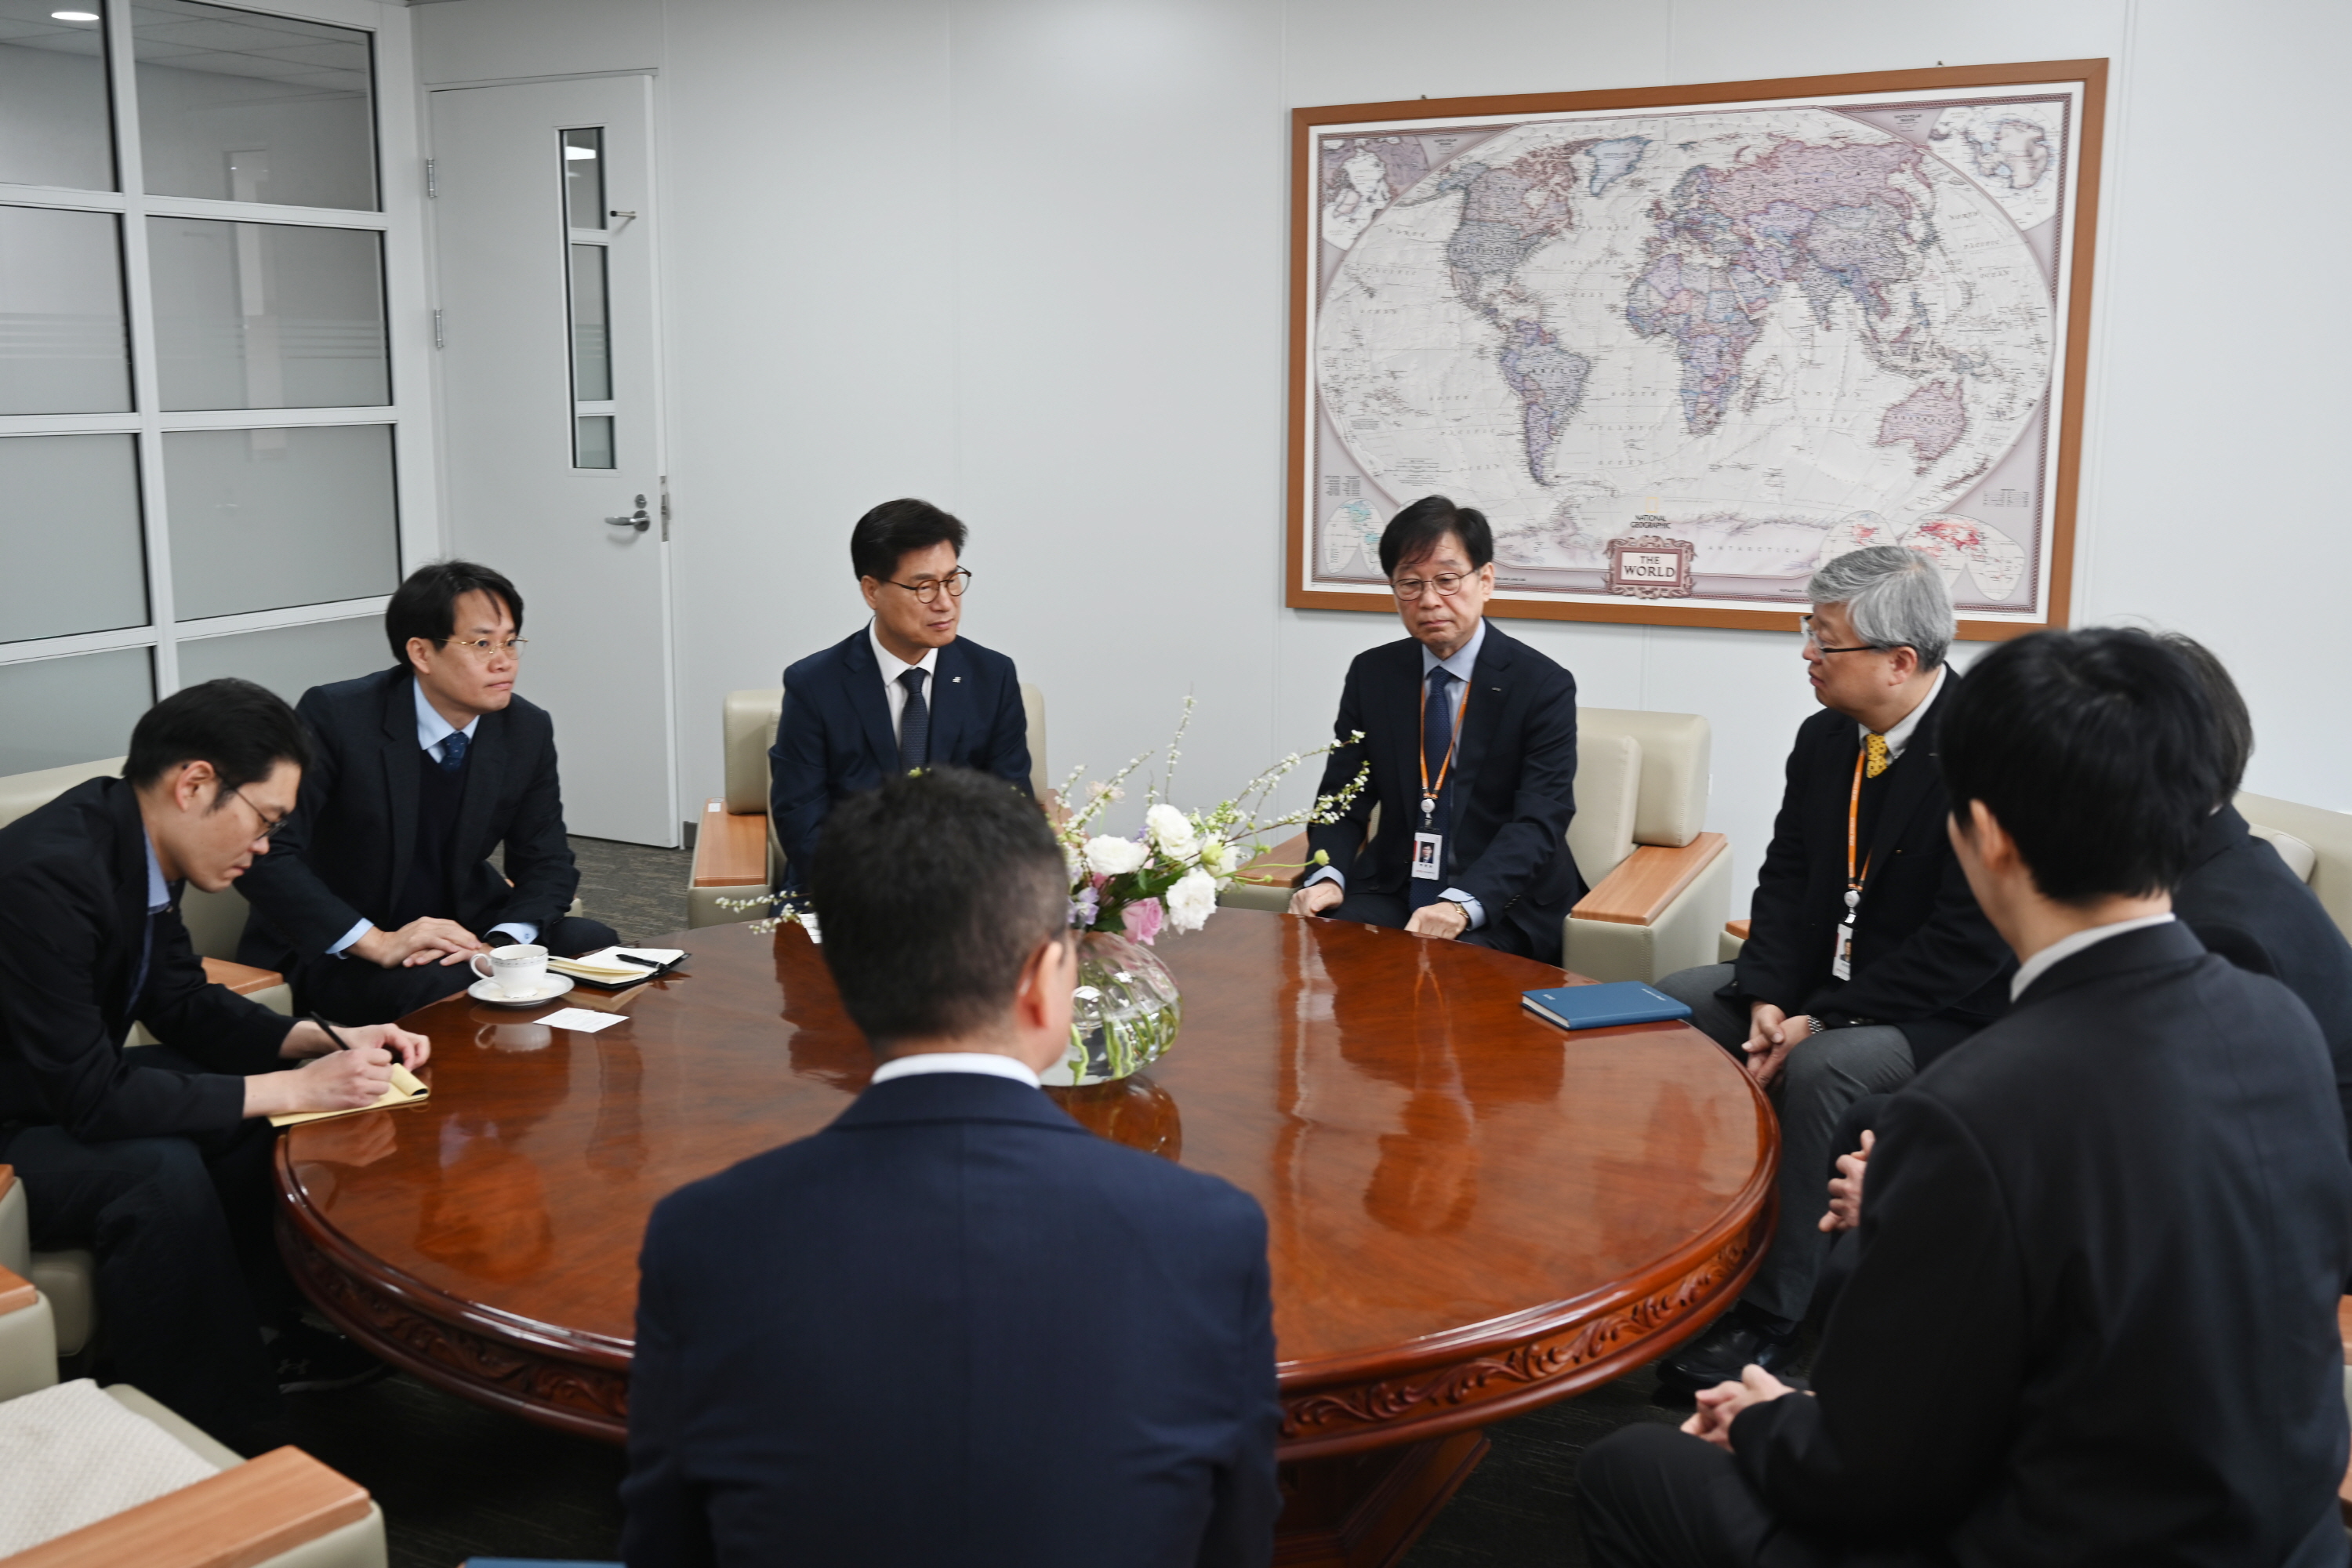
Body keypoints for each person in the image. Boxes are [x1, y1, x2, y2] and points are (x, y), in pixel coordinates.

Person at [1577, 627, 2352, 1567]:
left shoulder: (1974, 1108)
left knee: (1629, 1465)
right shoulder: (2279, 1020)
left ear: (1985, 834)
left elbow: (1868, 1475)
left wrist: (1764, 1415)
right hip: (2276, 1533)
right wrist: (1921, 1212)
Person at [622, 768, 1279, 1566]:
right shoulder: (1207, 1231)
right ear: (1045, 984)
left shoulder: (705, 1232)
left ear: (843, 981)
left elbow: (667, 1542)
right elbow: (1236, 1538)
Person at [1813, 630, 2352, 1295]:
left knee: (1889, 1133)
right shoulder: (2224, 874)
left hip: (2258, 1245)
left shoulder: (2217, 934)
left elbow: (2154, 1191)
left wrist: (1914, 1208)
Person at [0, 680, 429, 1450]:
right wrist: (288, 1086)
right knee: (154, 1169)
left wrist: (322, 1038)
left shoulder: (135, 844)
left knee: (256, 1125)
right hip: (17, 1117)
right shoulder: (46, 876)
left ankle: (266, 1332)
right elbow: (93, 1101)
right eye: (264, 820)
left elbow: (184, 1003)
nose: (264, 847)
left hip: (52, 1085)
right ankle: (216, 1435)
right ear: (194, 783)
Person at [1650, 546, 2010, 1390]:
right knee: (1671, 1008)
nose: (1807, 655)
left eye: (1825, 641)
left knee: (1822, 1067)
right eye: (1807, 632)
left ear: (1901, 661)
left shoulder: (1985, 757)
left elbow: (1967, 944)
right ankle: (1690, 1254)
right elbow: (1784, 876)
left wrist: (1819, 1018)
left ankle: (1774, 1316)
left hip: (1940, 1010)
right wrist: (1771, 990)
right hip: (1817, 988)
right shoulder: (1825, 738)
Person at [237, 561, 616, 1022]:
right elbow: (267, 853)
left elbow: (546, 861)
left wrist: (498, 946)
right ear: (421, 653)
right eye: (481, 644)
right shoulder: (337, 717)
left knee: (593, 947)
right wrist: (377, 942)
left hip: (464, 928)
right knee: (449, 988)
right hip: (348, 944)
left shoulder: (525, 728)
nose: (504, 661)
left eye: (511, 642)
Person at [1289, 495, 1581, 963]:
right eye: (1410, 583)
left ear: (1485, 580)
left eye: (1447, 580)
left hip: (1502, 900)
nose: (1428, 600)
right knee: (1328, 954)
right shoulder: (1373, 675)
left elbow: (1540, 821)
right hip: (1393, 885)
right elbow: (1342, 801)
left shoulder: (1542, 685)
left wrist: (1463, 905)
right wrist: (1327, 876)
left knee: (1450, 973)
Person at [768, 499, 1032, 891]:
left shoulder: (992, 677)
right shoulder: (814, 685)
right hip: (846, 895)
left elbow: (1012, 810)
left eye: (952, 579)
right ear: (872, 591)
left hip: (963, 896)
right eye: (923, 586)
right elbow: (802, 824)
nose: (945, 602)